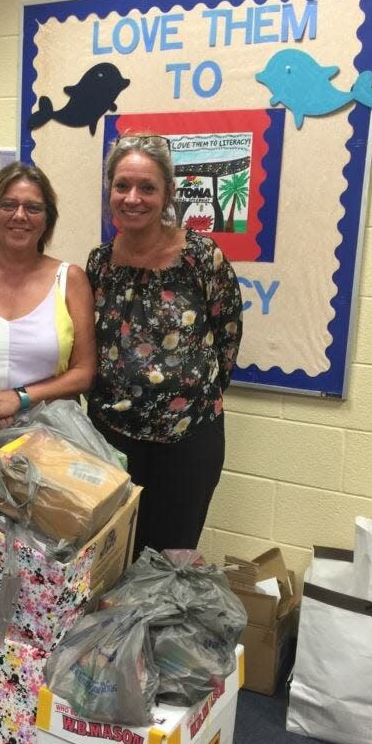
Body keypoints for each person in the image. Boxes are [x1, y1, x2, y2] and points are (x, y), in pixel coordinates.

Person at [86, 133, 243, 557]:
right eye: (122, 186)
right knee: (112, 558)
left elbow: (228, 340)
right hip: (112, 439)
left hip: (188, 442)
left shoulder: (201, 257)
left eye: (147, 187)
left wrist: (183, 396)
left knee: (171, 561)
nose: (132, 198)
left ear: (169, 193)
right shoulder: (99, 263)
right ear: (110, 190)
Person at [0, 161, 96, 465]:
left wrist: (17, 398)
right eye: (8, 205)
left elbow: (84, 373)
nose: (20, 216)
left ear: (47, 219)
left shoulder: (70, 279)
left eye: (33, 208)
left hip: (48, 443)